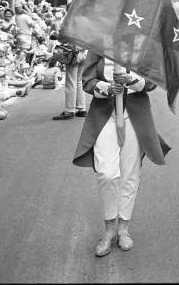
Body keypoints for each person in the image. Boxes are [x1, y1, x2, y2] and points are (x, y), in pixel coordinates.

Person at [72, 52, 170, 257]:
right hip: (105, 116)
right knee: (107, 174)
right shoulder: (97, 43)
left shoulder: (143, 43)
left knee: (129, 174)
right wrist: (107, 88)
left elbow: (153, 81)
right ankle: (109, 231)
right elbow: (87, 81)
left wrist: (132, 80)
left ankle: (123, 228)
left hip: (135, 115)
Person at [53, 42, 88, 120]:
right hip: (84, 52)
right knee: (79, 82)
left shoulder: (72, 29)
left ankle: (69, 110)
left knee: (71, 82)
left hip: (74, 53)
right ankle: (82, 109)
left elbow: (64, 37)